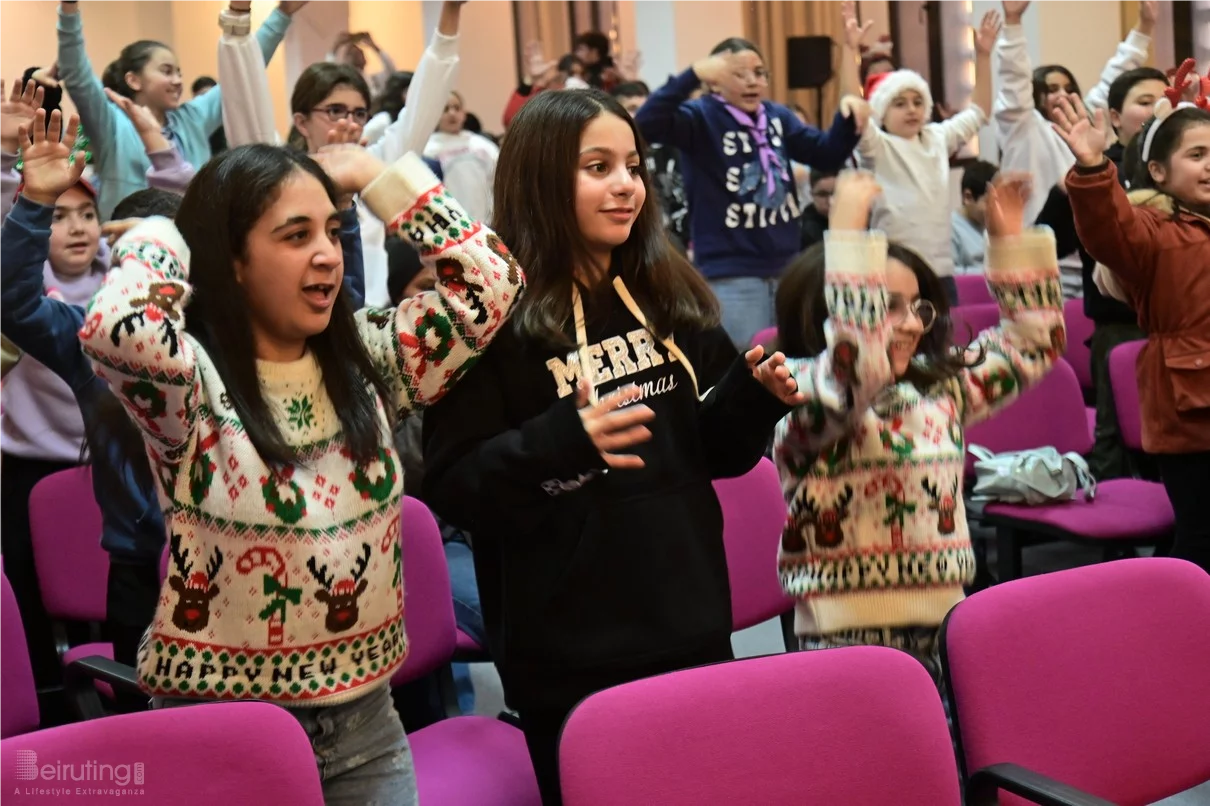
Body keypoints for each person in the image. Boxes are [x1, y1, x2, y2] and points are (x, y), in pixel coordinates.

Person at [422, 88, 802, 806]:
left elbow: (713, 453)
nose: (625, 184)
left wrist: (752, 401)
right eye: (598, 167)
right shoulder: (488, 319)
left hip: (689, 624)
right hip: (569, 656)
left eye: (631, 165)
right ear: (539, 178)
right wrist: (562, 442)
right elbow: (455, 486)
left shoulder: (665, 292)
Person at [774, 170, 1063, 701]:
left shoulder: (938, 395)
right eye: (886, 307)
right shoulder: (803, 396)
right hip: (844, 637)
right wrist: (844, 234)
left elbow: (1032, 345)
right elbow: (854, 370)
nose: (909, 324)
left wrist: (1009, 243)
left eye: (917, 307)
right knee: (866, 777)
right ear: (833, 308)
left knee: (949, 773)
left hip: (949, 621)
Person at [1054, 91, 1210, 573]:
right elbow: (1108, 231)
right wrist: (1095, 169)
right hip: (1192, 407)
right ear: (1159, 172)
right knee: (1203, 538)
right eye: (1197, 154)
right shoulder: (1154, 231)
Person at [636, 37, 866, 348]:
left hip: (787, 267)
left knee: (794, 359)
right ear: (714, 82)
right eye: (739, 74)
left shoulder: (777, 116)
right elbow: (646, 124)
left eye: (759, 73)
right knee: (746, 366)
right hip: (732, 274)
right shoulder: (699, 117)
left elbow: (826, 153)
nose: (752, 81)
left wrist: (848, 116)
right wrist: (692, 74)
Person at [55, 0, 307, 218]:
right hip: (127, 248)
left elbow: (240, 73)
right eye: (166, 71)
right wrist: (69, 9)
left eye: (179, 73)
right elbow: (77, 75)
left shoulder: (191, 118)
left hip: (192, 247)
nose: (178, 81)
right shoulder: (111, 123)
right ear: (134, 80)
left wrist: (282, 14)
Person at [846, 4, 999, 302]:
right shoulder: (877, 146)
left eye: (918, 101)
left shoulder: (936, 138)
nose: (912, 109)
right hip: (892, 268)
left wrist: (982, 55)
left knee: (944, 344)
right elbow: (854, 109)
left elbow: (980, 112)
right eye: (900, 103)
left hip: (940, 271)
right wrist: (850, 52)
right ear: (881, 113)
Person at [993, 0, 1157, 225]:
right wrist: (1013, 22)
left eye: (1069, 89)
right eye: (1052, 89)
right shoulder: (1023, 126)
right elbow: (1014, 80)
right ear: (1034, 94)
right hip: (1033, 243)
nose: (1063, 95)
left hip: (1082, 241)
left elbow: (1117, 73)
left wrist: (1145, 25)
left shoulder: (1085, 121)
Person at [424, 91, 499, 222]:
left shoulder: (482, 144)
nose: (452, 113)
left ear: (464, 114)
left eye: (456, 108)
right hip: (452, 225)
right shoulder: (427, 150)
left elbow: (498, 180)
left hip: (487, 222)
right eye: (445, 109)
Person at [952, 159, 1000, 274]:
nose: (996, 210)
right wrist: (987, 273)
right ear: (968, 197)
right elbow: (952, 272)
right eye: (990, 203)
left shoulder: (990, 224)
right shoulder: (952, 228)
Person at [800, 169, 835, 250]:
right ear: (811, 194)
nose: (830, 201)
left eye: (836, 193)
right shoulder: (805, 231)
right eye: (823, 194)